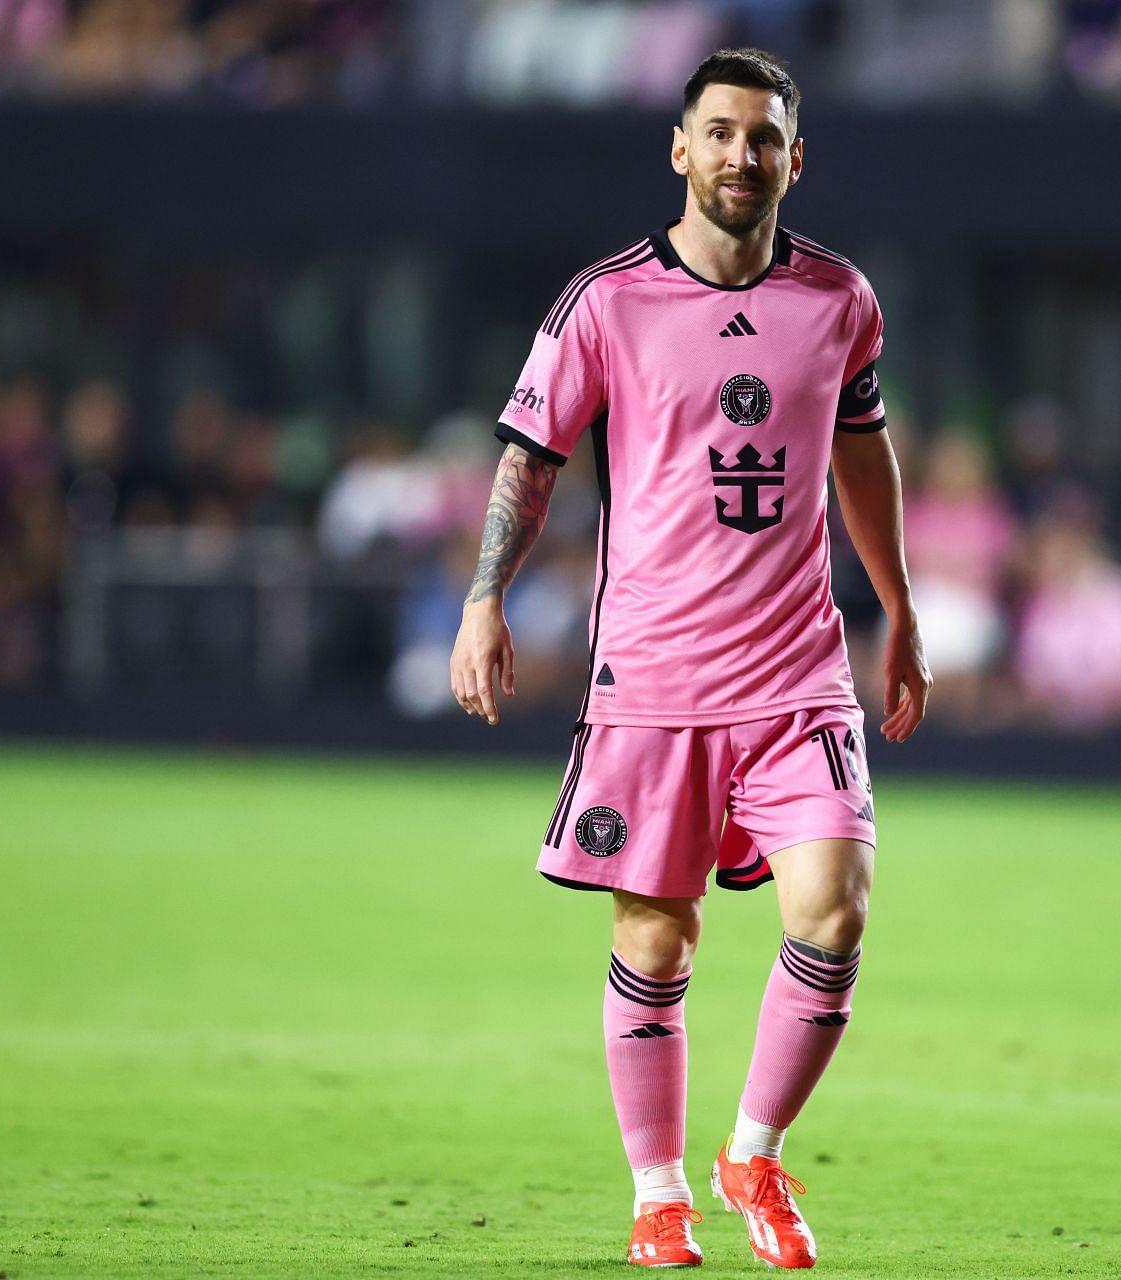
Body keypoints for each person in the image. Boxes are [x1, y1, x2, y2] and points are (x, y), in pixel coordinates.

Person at [448, 48, 930, 1271]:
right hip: (656, 677)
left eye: (763, 137)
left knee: (837, 904)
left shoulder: (842, 300)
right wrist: (483, 599)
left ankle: (753, 1151)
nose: (739, 155)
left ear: (795, 158)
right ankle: (657, 1193)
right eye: (718, 133)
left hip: (799, 672)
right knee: (658, 945)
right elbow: (530, 459)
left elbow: (860, 452)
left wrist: (901, 607)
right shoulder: (605, 302)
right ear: (679, 149)